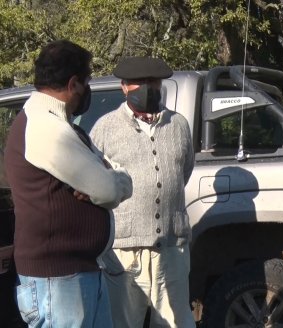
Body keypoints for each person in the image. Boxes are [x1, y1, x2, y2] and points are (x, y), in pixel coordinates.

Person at [4, 40, 133, 327]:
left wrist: (110, 179)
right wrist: (108, 182)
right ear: (74, 83)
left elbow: (115, 176)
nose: (86, 89)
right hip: (57, 280)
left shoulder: (62, 125)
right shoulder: (45, 127)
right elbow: (109, 189)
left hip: (78, 273)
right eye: (86, 82)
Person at [90, 57, 196, 328]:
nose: (148, 87)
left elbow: (183, 172)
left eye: (153, 81)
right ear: (125, 87)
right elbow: (95, 181)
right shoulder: (104, 128)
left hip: (172, 249)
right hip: (125, 252)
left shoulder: (179, 125)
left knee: (176, 323)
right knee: (124, 323)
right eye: (140, 82)